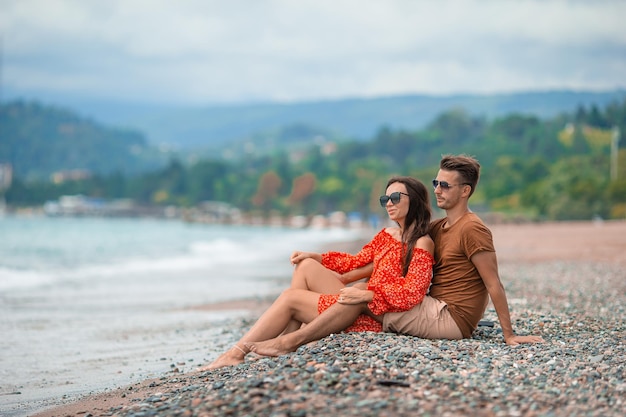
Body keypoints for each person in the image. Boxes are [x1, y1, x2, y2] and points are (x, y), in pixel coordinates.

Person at [246, 155, 543, 358]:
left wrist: (509, 335)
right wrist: (329, 264)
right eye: (435, 183)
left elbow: (494, 284)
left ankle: (286, 341)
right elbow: (373, 260)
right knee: (344, 286)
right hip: (432, 308)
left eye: (445, 185)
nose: (437, 189)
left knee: (360, 294)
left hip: (449, 318)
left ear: (465, 191)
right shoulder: (441, 226)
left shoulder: (473, 229)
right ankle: (280, 341)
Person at [200, 176, 435, 370]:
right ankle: (285, 339)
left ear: (413, 200)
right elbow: (353, 261)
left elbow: (411, 293)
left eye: (395, 197)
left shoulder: (421, 243)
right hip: (356, 302)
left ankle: (238, 352)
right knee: (305, 266)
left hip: (373, 313)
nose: (389, 203)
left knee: (290, 297)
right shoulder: (386, 235)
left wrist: (368, 294)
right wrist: (317, 257)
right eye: (385, 199)